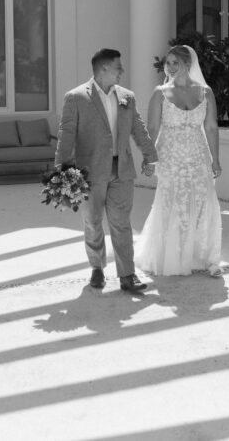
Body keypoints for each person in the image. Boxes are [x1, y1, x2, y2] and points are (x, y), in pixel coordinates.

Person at [55, 48, 158, 292]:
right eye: (118, 67)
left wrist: (150, 156)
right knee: (92, 222)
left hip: (122, 170)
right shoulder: (76, 97)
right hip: (89, 172)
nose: (122, 71)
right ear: (103, 68)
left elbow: (138, 128)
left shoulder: (127, 97)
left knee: (121, 222)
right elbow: (66, 134)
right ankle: (97, 268)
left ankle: (127, 275)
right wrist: (61, 171)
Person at [136, 44, 223, 277]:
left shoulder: (206, 92)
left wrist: (215, 159)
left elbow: (211, 127)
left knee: (204, 202)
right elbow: (152, 128)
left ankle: (207, 258)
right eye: (168, 63)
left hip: (198, 155)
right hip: (170, 156)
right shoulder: (160, 93)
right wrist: (148, 158)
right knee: (171, 202)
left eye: (176, 62)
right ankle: (170, 256)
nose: (171, 67)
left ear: (188, 64)